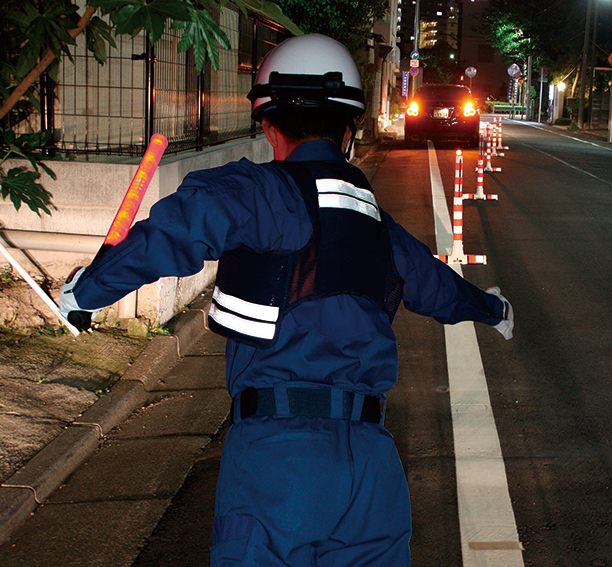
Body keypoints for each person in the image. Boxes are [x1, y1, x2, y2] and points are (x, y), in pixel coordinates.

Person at [59, 33, 513, 566]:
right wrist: (493, 308)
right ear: (350, 129)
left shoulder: (260, 191)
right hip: (372, 470)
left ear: (269, 124)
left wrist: (84, 293)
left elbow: (176, 231)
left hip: (277, 461)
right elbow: (441, 291)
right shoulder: (378, 226)